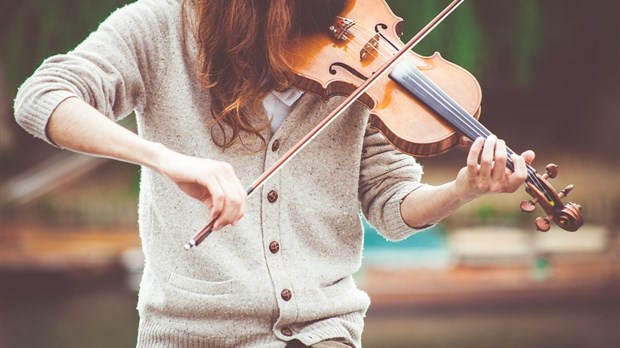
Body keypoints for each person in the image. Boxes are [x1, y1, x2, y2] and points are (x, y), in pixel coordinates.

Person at [14, 0, 534, 347]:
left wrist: (463, 189)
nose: (332, 31)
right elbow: (43, 98)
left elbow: (393, 205)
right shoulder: (158, 28)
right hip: (190, 333)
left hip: (324, 331)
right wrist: (165, 158)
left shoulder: (359, 66)